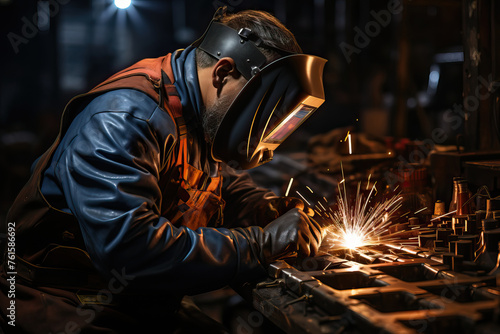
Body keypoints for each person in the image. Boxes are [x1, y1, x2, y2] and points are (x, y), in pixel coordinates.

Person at [0, 8, 327, 333]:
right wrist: (260, 244)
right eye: (261, 112)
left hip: (135, 300)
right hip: (64, 302)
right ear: (223, 72)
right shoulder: (125, 120)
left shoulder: (196, 112)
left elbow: (217, 181)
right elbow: (130, 251)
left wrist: (264, 209)